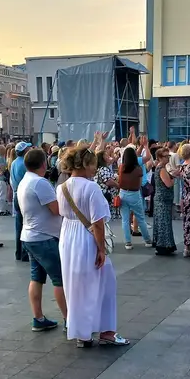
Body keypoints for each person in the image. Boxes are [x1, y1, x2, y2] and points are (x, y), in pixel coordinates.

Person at [56, 145, 127, 348]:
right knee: (105, 283)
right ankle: (107, 332)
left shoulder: (62, 187)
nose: (95, 169)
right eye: (93, 165)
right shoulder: (91, 187)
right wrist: (101, 249)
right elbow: (97, 223)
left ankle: (82, 334)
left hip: (67, 237)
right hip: (85, 237)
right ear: (85, 164)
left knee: (75, 286)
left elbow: (62, 213)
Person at [17, 148, 67, 331]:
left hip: (30, 235)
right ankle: (69, 319)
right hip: (43, 238)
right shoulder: (40, 183)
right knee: (59, 278)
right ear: (44, 164)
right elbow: (56, 209)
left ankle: (38, 317)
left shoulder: (25, 181)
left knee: (36, 277)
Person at [117, 144, 152, 250]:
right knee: (140, 218)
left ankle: (128, 242)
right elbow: (140, 184)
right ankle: (147, 240)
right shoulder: (138, 169)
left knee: (125, 219)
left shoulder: (121, 167)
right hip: (135, 194)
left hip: (122, 193)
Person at [151, 145, 178, 256]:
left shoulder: (161, 168)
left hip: (162, 199)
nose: (168, 158)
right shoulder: (161, 169)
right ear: (160, 157)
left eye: (168, 156)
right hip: (162, 199)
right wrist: (173, 179)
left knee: (162, 222)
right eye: (166, 156)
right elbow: (168, 184)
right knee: (164, 223)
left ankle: (164, 245)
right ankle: (164, 245)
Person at [11, 141, 31, 262]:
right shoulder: (24, 163)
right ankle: (24, 253)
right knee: (25, 225)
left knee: (19, 225)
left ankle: (19, 252)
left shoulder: (14, 162)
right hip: (23, 195)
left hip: (16, 194)